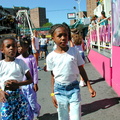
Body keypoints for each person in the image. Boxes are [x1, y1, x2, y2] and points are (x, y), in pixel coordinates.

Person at [46, 24, 96, 120]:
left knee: (76, 117)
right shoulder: (50, 57)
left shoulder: (74, 51)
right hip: (59, 90)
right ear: (53, 38)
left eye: (65, 35)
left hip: (74, 89)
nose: (63, 38)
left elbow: (81, 69)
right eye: (59, 36)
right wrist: (53, 94)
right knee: (63, 117)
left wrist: (89, 87)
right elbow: (53, 76)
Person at [0, 37, 33, 119]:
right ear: (2, 50)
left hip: (19, 96)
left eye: (14, 46)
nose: (12, 48)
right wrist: (0, 91)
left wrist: (18, 84)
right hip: (6, 97)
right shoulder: (1, 64)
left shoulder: (20, 62)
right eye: (8, 46)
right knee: (6, 117)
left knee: (22, 117)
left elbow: (30, 79)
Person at [17, 36, 41, 120]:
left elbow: (35, 71)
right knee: (25, 103)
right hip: (21, 85)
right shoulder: (17, 59)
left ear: (26, 47)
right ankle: (30, 117)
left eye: (20, 46)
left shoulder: (31, 58)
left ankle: (37, 109)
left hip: (30, 85)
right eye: (18, 46)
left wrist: (35, 83)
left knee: (32, 102)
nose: (19, 49)